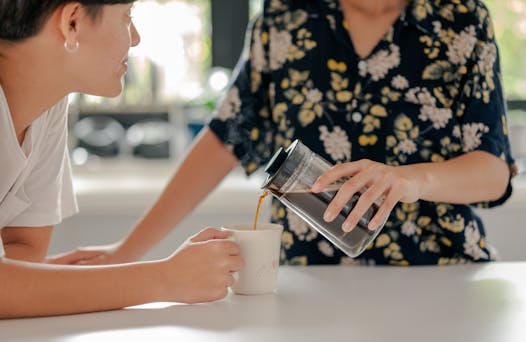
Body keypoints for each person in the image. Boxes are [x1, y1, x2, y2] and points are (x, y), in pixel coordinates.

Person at [52, 0, 516, 267]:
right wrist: (127, 251)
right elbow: (226, 137)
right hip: (306, 275)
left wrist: (411, 180)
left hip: (439, 271)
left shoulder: (461, 19)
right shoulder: (284, 18)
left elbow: (494, 171)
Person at [0, 0, 243, 319]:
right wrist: (165, 278)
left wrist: (33, 284)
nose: (137, 37)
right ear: (72, 22)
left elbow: (24, 252)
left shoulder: (48, 106)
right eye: (127, 16)